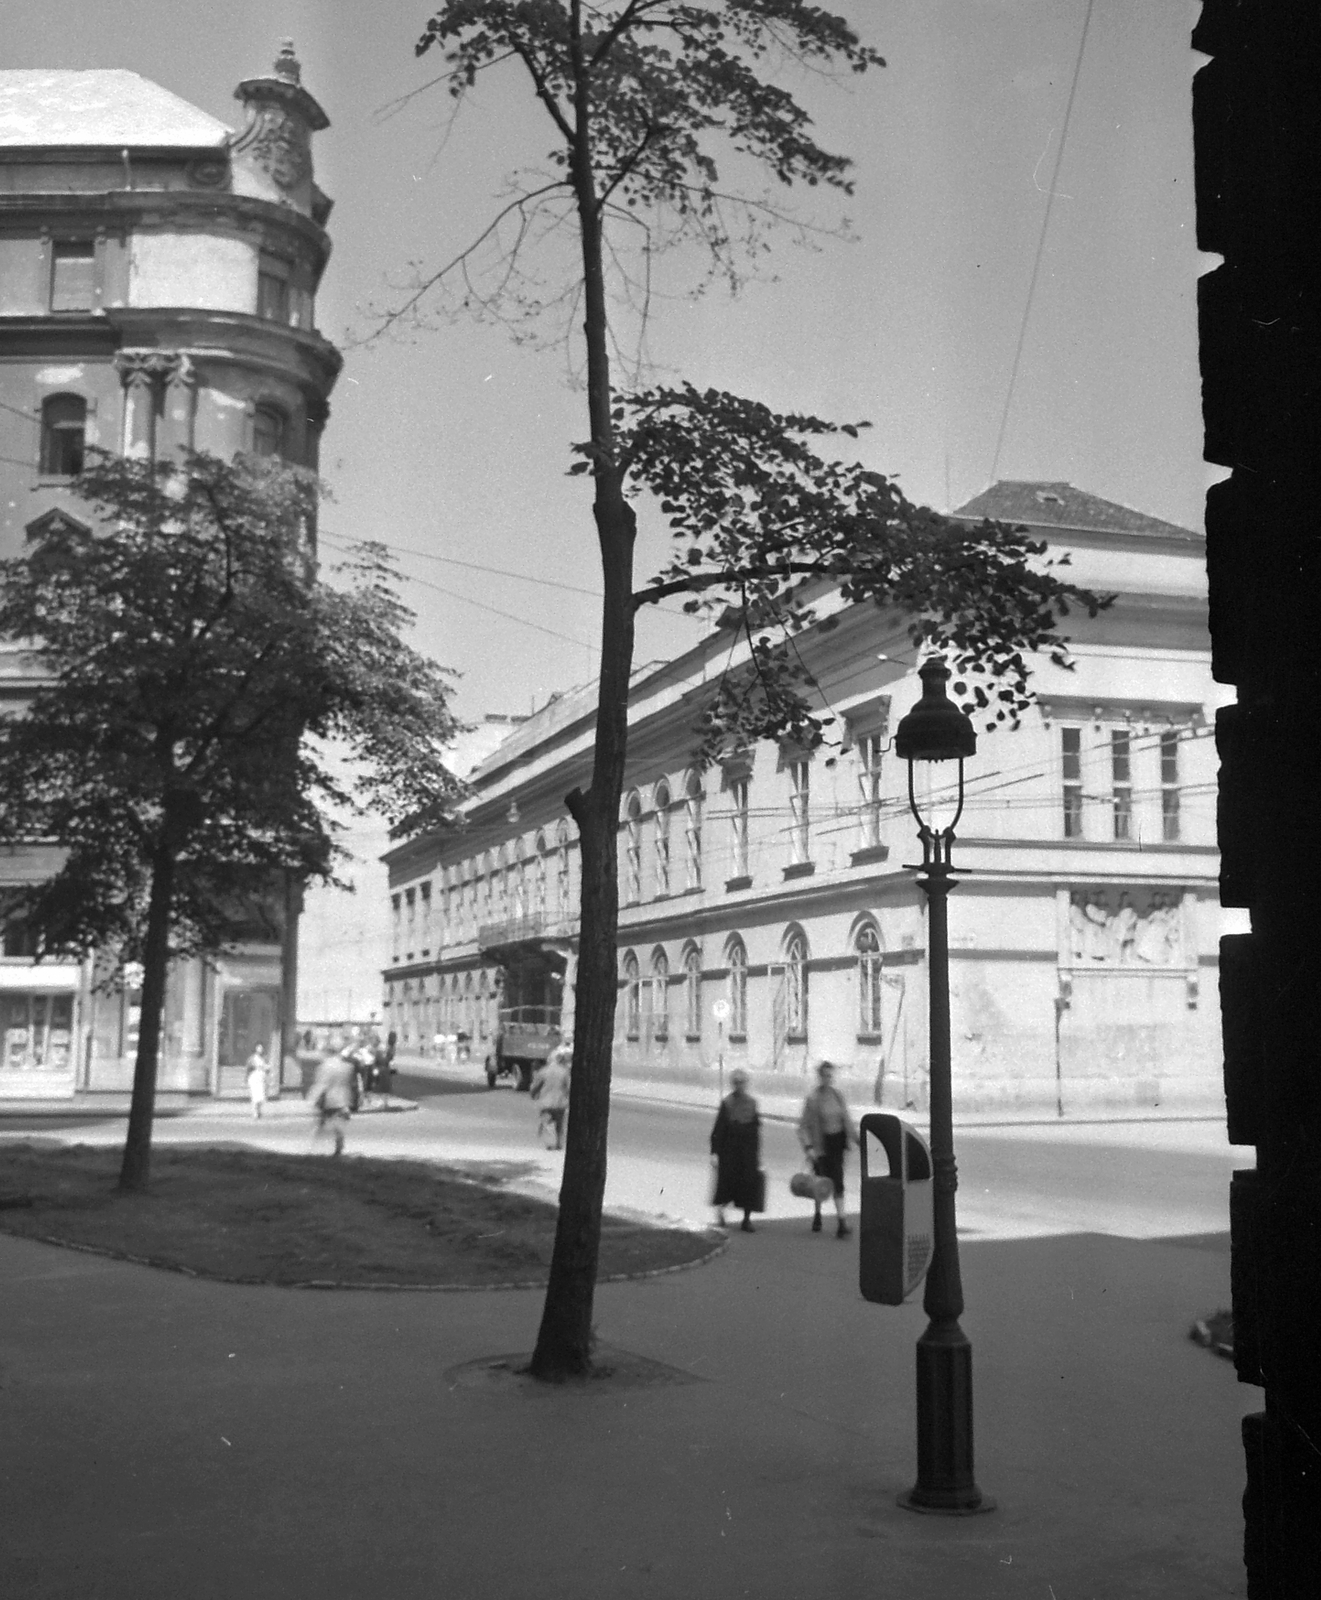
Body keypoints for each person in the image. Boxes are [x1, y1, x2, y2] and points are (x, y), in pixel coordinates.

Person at [798, 1060, 857, 1237]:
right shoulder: (813, 1099)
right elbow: (802, 1127)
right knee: (821, 1183)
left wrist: (857, 1139)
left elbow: (846, 1119)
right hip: (820, 1147)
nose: (827, 1078)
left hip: (837, 1144)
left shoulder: (838, 1096)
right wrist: (809, 1148)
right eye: (824, 1075)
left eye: (830, 1075)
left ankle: (841, 1222)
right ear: (819, 1077)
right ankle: (817, 1214)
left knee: (838, 1182)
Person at [710, 1067, 762, 1232]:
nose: (739, 1086)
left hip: (747, 1151)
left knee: (748, 1183)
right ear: (733, 1084)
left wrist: (756, 1154)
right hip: (730, 1150)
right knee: (728, 1183)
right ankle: (721, 1211)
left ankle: (746, 1220)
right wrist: (715, 1152)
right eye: (736, 1083)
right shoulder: (727, 1103)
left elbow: (755, 1131)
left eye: (742, 1083)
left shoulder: (752, 1103)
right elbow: (718, 1131)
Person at [307, 1049, 356, 1156]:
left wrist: (312, 1098)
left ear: (328, 1053)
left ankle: (316, 1148)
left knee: (322, 1122)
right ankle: (339, 1146)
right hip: (343, 1098)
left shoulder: (325, 1066)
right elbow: (350, 1083)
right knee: (339, 1123)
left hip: (329, 1099)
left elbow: (321, 1084)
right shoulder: (347, 1067)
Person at [530, 1044, 571, 1150]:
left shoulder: (543, 1071)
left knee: (547, 1123)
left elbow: (535, 1086)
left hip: (546, 1103)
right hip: (560, 1103)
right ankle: (558, 1144)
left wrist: (533, 1095)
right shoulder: (564, 1072)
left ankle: (550, 1143)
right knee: (559, 1125)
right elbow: (568, 1087)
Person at [245, 1043, 269, 1120]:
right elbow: (248, 1068)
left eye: (261, 1048)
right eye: (258, 1048)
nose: (260, 1050)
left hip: (261, 1078)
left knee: (261, 1096)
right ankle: (255, 1113)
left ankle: (259, 1111)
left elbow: (267, 1068)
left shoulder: (264, 1058)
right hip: (254, 1078)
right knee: (255, 1096)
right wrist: (247, 1078)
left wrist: (266, 1069)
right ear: (255, 1049)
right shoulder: (252, 1058)